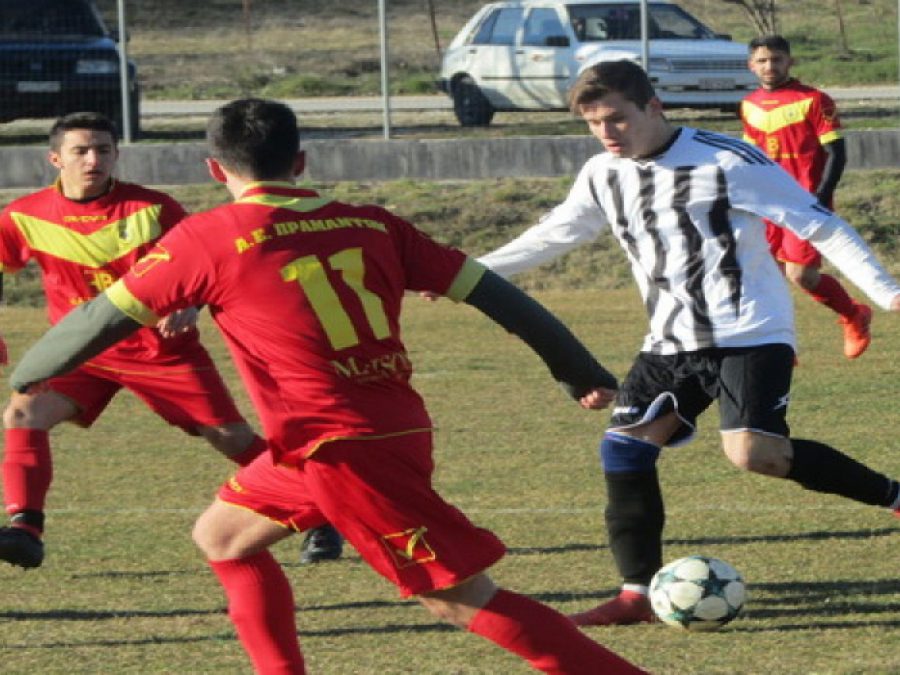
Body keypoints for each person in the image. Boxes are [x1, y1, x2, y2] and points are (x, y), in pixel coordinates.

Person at [10, 98, 645, 674]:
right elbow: (496, 293)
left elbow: (97, 320)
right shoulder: (372, 223)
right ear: (301, 160)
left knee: (458, 599)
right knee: (223, 538)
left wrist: (26, 376)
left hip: (344, 449)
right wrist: (575, 366)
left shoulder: (207, 237)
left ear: (213, 168)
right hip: (337, 438)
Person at [475, 60, 900, 627]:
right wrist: (471, 271)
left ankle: (895, 497)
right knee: (623, 448)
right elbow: (560, 231)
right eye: (595, 124)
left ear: (654, 108)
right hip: (670, 339)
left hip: (750, 332)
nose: (606, 134)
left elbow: (817, 224)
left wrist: (888, 292)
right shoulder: (603, 173)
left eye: (617, 120)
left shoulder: (727, 162)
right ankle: (635, 595)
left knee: (755, 455)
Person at [0, 112, 272, 570]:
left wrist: (191, 304)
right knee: (23, 412)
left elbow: (207, 266)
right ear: (54, 159)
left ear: (116, 155)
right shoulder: (22, 216)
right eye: (81, 151)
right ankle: (26, 530)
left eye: (103, 150)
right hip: (79, 351)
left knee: (230, 438)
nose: (94, 160)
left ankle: (318, 503)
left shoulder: (153, 208)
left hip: (159, 351)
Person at [742, 34, 871, 359]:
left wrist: (820, 197)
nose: (770, 66)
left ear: (790, 62)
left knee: (802, 275)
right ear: (751, 65)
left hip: (805, 203)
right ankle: (777, 343)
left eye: (776, 59)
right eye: (762, 60)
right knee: (761, 273)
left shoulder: (814, 100)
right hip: (768, 204)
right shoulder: (749, 105)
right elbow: (750, 157)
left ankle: (853, 314)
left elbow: (836, 153)